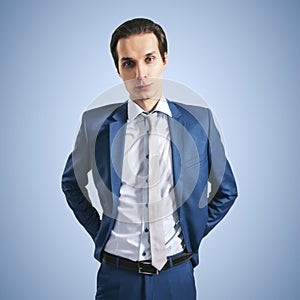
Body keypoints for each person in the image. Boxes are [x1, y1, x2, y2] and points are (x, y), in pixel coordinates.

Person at [62, 18, 238, 300]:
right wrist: (101, 233)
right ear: (118, 69)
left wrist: (192, 232)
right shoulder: (94, 124)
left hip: (176, 276)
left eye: (149, 59)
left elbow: (227, 190)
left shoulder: (198, 122)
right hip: (116, 279)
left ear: (164, 60)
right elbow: (71, 184)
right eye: (129, 63)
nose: (141, 74)